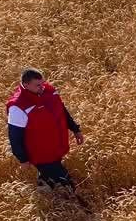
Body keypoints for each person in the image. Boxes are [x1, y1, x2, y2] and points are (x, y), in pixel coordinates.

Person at [6, 68, 85, 197]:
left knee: (49, 178)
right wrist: (23, 159)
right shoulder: (18, 107)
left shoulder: (49, 91)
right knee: (67, 185)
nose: (42, 87)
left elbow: (62, 111)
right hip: (41, 154)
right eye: (38, 85)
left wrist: (75, 129)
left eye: (43, 83)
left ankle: (43, 194)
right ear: (26, 85)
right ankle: (79, 209)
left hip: (56, 147)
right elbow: (14, 137)